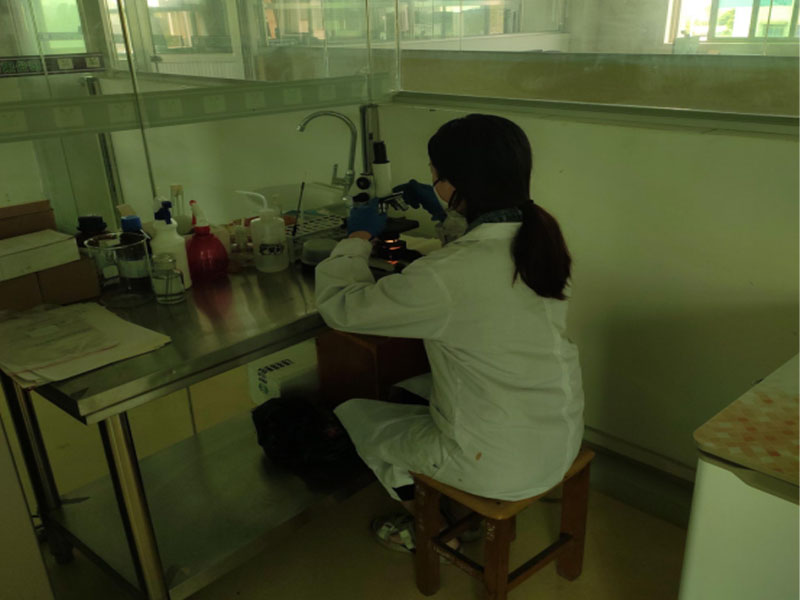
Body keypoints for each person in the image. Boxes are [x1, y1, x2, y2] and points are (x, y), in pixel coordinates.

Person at [314, 114, 584, 554]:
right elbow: (473, 266)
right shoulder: (541, 241)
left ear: (455, 183)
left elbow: (342, 308)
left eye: (435, 176)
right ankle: (448, 499)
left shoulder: (445, 275)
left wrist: (358, 236)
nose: (432, 182)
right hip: (558, 434)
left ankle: (434, 528)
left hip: (495, 461)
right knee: (412, 389)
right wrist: (447, 212)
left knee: (357, 415)